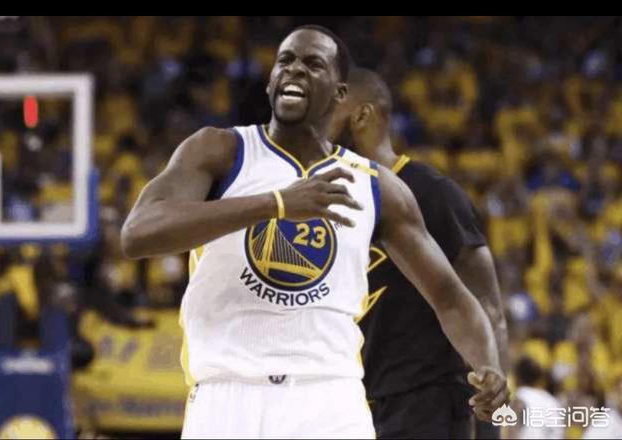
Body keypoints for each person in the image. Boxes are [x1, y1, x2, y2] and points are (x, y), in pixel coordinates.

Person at [122, 25, 507, 439]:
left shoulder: (376, 186)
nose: (294, 69)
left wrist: (487, 365)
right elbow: (138, 233)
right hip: (227, 392)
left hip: (329, 398)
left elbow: (450, 297)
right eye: (285, 61)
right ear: (271, 81)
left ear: (340, 92)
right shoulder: (221, 151)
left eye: (312, 63)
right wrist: (276, 203)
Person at [328, 66, 509, 439]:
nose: (315, 127)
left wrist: (493, 418)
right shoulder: (332, 199)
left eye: (328, 111)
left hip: (429, 403)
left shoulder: (432, 193)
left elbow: (488, 307)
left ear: (362, 115)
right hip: (357, 404)